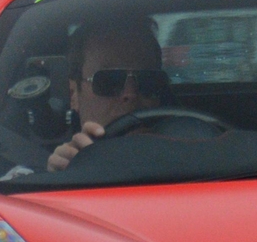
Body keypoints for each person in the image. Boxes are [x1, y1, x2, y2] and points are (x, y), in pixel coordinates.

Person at [45, 21, 172, 171]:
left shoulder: (189, 156)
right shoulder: (59, 168)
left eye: (147, 79)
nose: (130, 94)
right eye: (109, 80)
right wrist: (63, 178)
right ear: (73, 94)